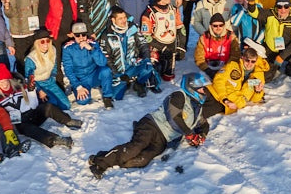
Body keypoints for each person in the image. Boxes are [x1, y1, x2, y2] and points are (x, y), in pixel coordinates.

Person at [88, 73, 222, 178]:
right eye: (202, 89)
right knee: (134, 149)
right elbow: (174, 117)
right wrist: (189, 133)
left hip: (163, 139)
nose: (205, 92)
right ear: (191, 88)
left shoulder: (197, 109)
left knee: (142, 160)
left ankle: (107, 156)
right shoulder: (179, 96)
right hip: (151, 125)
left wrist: (201, 136)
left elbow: (204, 125)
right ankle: (99, 162)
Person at [0, 63, 80, 150]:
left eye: (5, 81)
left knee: (47, 107)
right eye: (0, 82)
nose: (3, 85)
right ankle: (55, 140)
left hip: (32, 114)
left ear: (9, 80)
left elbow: (34, 105)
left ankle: (68, 121)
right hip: (21, 122)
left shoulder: (20, 87)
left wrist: (31, 90)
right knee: (27, 129)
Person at [101, 7, 160, 99]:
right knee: (117, 97)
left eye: (124, 17)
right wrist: (118, 75)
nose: (124, 20)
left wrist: (147, 59)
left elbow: (143, 44)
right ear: (113, 19)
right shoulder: (106, 35)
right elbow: (106, 59)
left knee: (147, 66)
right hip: (119, 72)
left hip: (133, 65)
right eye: (120, 18)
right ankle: (125, 83)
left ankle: (139, 83)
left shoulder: (133, 27)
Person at [61, 22, 116, 107]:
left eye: (83, 35)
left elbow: (102, 62)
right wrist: (78, 86)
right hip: (81, 79)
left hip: (94, 75)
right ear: (73, 36)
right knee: (82, 101)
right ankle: (77, 89)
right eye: (77, 35)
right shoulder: (68, 48)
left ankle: (107, 97)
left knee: (106, 71)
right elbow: (68, 70)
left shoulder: (93, 44)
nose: (81, 38)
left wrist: (91, 49)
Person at [4, 0, 46, 72]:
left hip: (34, 30)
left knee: (35, 59)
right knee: (21, 62)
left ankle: (34, 82)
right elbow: (9, 14)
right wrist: (7, 6)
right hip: (20, 33)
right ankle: (23, 84)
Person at [207, 43, 268, 115]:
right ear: (242, 58)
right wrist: (225, 99)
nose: (249, 64)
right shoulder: (232, 66)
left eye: (253, 61)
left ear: (256, 61)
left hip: (229, 105)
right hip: (216, 95)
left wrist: (258, 92)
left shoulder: (258, 75)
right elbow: (218, 81)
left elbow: (255, 99)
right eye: (247, 60)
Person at [262, 0, 291, 84]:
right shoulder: (270, 14)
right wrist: (251, 4)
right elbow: (255, 13)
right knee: (266, 78)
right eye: (280, 6)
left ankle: (290, 72)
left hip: (287, 50)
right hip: (271, 49)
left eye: (286, 6)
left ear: (290, 6)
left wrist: (282, 56)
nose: (283, 9)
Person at [141, 0, 183, 80]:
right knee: (153, 73)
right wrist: (162, 48)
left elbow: (180, 28)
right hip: (156, 47)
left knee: (169, 76)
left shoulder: (174, 10)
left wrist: (181, 47)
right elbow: (146, 36)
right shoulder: (149, 13)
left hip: (171, 45)